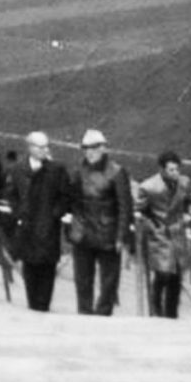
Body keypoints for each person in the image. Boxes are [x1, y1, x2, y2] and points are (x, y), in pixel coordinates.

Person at [67, 129, 132, 316]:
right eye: (86, 148)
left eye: (94, 147)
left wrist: (121, 236)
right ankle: (84, 314)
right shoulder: (78, 170)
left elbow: (124, 207)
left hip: (108, 233)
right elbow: (72, 198)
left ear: (103, 148)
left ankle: (103, 315)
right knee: (82, 281)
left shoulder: (117, 172)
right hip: (83, 231)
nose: (89, 152)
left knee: (109, 282)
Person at [4, 131, 70, 312]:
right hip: (27, 227)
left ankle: (43, 305)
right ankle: (33, 304)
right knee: (30, 266)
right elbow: (11, 194)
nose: (44, 150)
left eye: (46, 146)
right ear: (30, 148)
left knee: (47, 268)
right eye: (40, 147)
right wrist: (19, 212)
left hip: (48, 227)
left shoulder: (57, 170)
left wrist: (54, 214)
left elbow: (65, 196)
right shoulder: (18, 169)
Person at [136, 150, 191, 318]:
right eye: (171, 170)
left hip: (177, 232)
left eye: (177, 169)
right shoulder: (148, 186)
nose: (175, 173)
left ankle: (171, 313)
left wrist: (188, 216)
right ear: (162, 170)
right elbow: (140, 211)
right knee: (162, 273)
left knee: (176, 276)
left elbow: (189, 201)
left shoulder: (184, 183)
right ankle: (156, 310)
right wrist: (152, 226)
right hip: (159, 235)